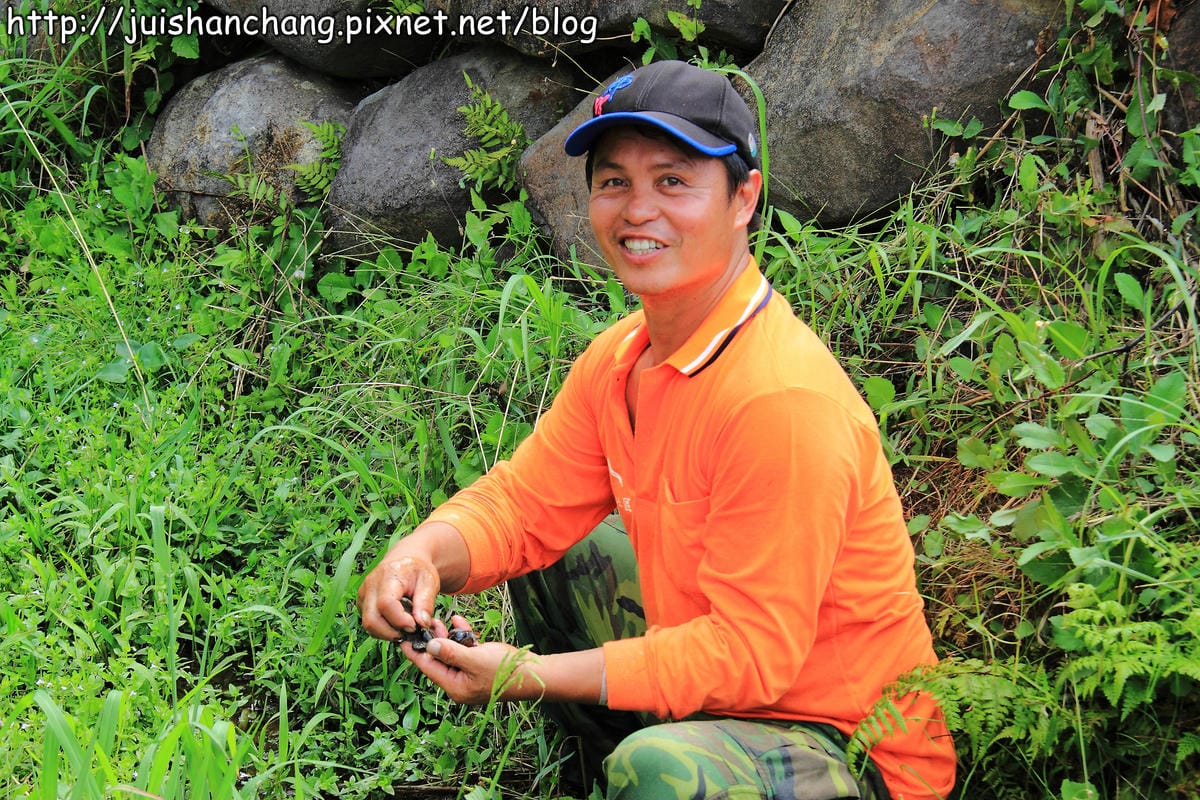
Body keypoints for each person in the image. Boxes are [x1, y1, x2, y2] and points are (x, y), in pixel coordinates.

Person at [357, 59, 957, 800]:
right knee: (566, 545)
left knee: (662, 773)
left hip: (848, 752)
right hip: (715, 706)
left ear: (744, 198)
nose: (638, 209)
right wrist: (419, 555)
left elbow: (747, 656)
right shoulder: (622, 358)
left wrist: (530, 677)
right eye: (614, 182)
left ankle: (642, 775)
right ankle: (606, 777)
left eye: (673, 181)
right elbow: (521, 504)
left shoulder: (782, 401)